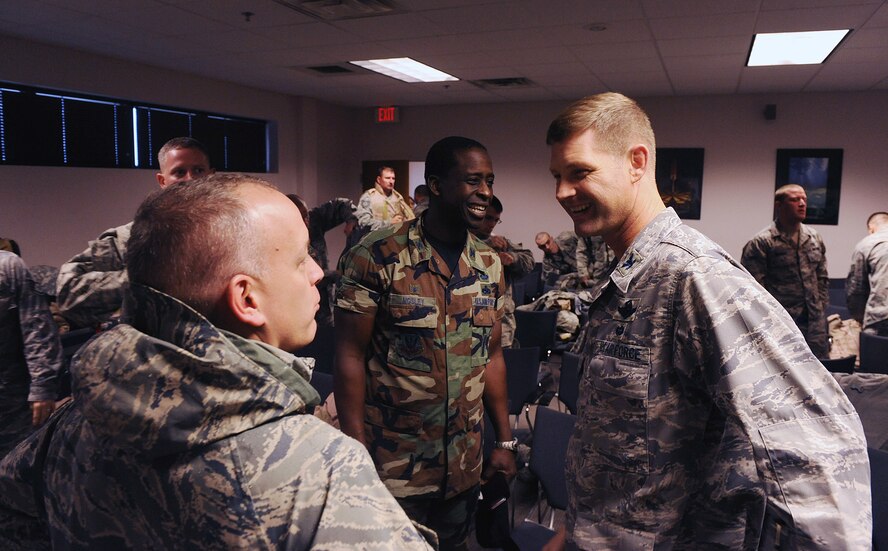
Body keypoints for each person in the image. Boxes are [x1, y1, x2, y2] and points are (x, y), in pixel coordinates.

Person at [0, 174, 435, 550]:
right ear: (247, 298)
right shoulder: (320, 468)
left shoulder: (73, 423)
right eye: (302, 258)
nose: (318, 272)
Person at [544, 92, 870, 550]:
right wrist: (570, 529)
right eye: (557, 176)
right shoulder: (628, 274)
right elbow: (616, 442)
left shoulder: (695, 277)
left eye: (580, 173)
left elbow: (822, 449)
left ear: (637, 161)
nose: (561, 192)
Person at [334, 137, 517, 550]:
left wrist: (505, 439)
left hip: (464, 466)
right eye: (472, 181)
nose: (485, 192)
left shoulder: (488, 263)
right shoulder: (377, 255)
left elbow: (492, 356)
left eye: (489, 181)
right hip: (393, 466)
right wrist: (355, 449)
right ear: (435, 186)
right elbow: (349, 354)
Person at [56, 137, 214, 329]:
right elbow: (68, 294)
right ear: (162, 181)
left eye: (198, 170)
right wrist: (146, 277)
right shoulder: (134, 237)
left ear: (211, 175)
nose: (190, 179)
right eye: (179, 172)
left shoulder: (236, 232)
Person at [741, 184, 830, 357]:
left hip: (814, 324)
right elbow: (752, 288)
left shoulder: (814, 238)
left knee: (820, 372)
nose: (802, 203)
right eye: (795, 199)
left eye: (804, 199)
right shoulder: (762, 242)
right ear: (779, 205)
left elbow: (822, 276)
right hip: (780, 323)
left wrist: (821, 305)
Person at [0, 251, 62, 459]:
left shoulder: (8, 267)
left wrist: (42, 386)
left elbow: (36, 326)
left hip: (13, 400)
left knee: (21, 468)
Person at [471, 195, 534, 348]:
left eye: (496, 220)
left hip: (501, 320)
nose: (492, 224)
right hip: (469, 321)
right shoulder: (460, 240)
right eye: (488, 218)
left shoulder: (501, 242)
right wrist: (486, 246)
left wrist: (512, 258)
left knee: (503, 364)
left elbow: (529, 260)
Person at [287, 194, 357, 327]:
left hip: (325, 307)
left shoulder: (314, 221)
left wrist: (352, 220)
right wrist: (336, 275)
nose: (306, 222)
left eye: (307, 216)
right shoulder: (282, 238)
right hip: (301, 310)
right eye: (302, 218)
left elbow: (341, 205)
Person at [847, 211, 888, 335]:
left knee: (874, 353)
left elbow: (857, 287)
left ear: (871, 228)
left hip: (881, 317)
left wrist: (859, 318)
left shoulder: (867, 244)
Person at [354, 165, 415, 234]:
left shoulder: (398, 198)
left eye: (393, 178)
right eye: (387, 178)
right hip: (375, 241)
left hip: (394, 240)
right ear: (379, 180)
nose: (391, 181)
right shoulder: (369, 196)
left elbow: (410, 219)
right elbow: (363, 223)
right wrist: (389, 223)